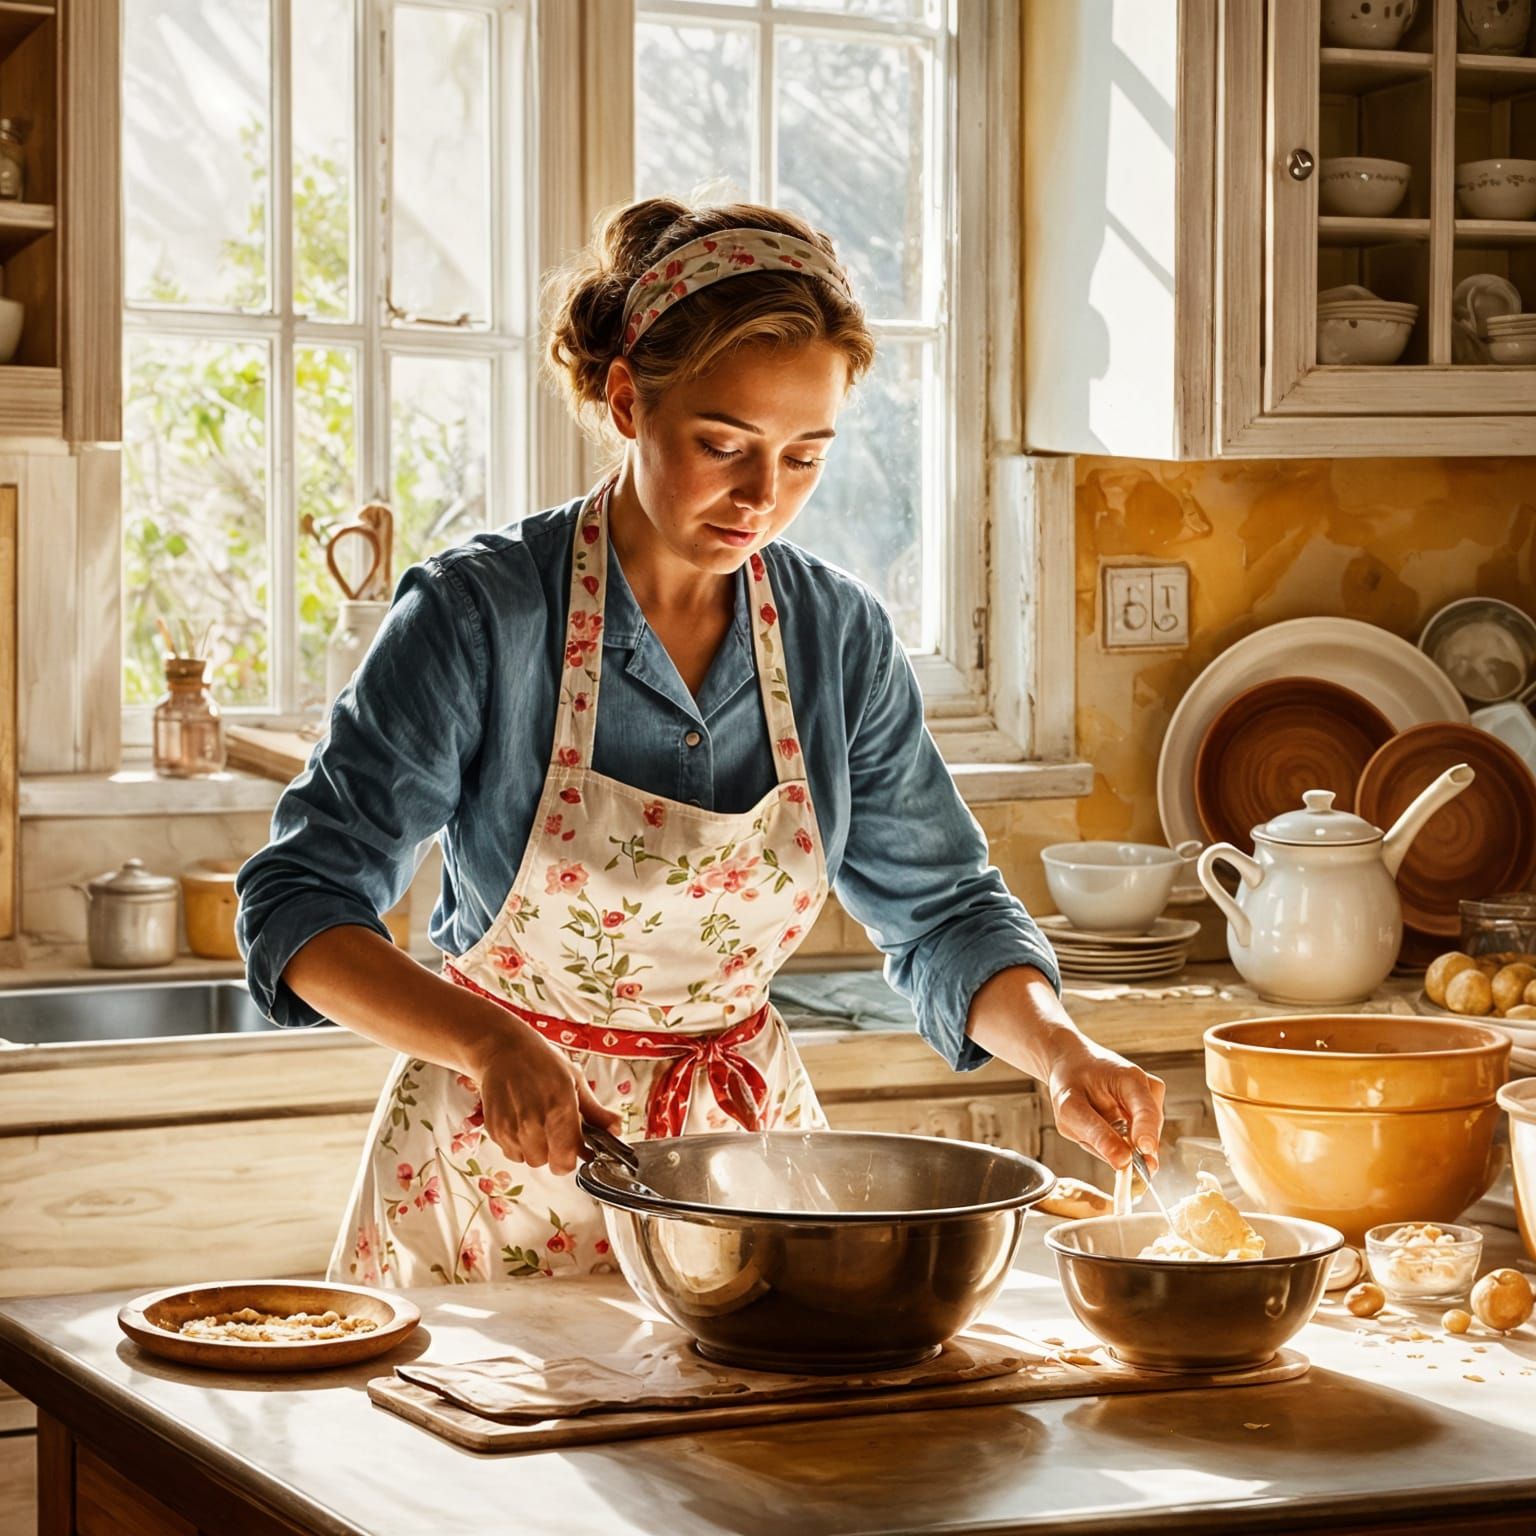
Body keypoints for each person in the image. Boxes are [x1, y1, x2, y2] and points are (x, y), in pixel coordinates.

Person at [236, 198, 1165, 1287]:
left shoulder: (837, 637)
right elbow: (299, 906)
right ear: (628, 401)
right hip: (492, 1177)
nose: (763, 497)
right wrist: (486, 1043)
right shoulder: (483, 615)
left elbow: (946, 911)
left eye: (805, 457)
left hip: (742, 1180)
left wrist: (1061, 1051)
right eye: (722, 445)